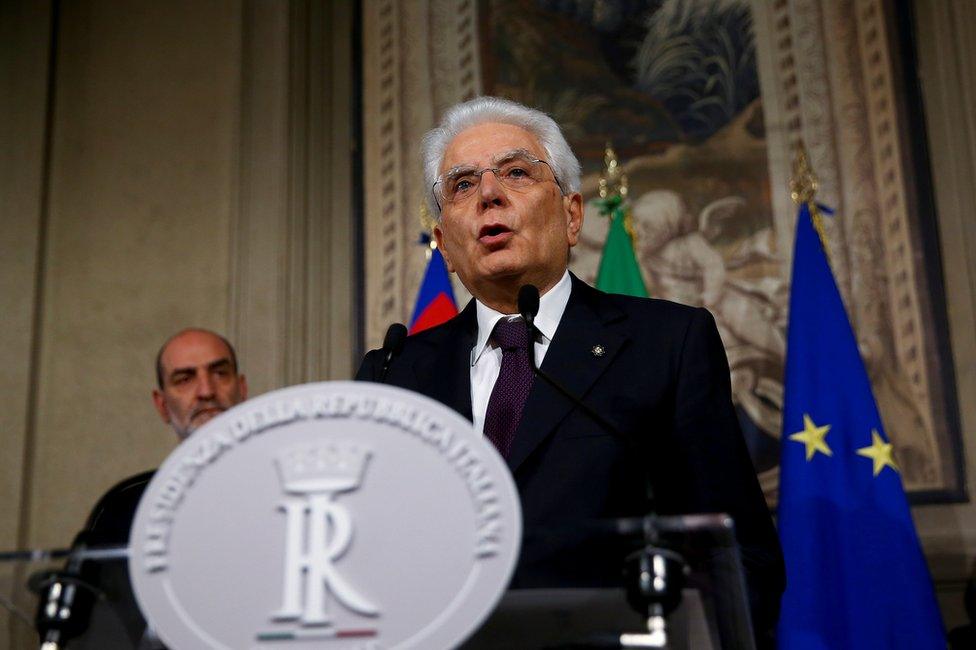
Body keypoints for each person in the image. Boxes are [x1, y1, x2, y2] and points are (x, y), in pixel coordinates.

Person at [357, 96, 785, 643]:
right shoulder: (394, 373)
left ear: (572, 215)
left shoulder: (666, 344)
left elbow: (740, 554)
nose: (489, 194)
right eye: (463, 185)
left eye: (516, 172)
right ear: (442, 243)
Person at [57, 329, 247, 647]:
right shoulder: (123, 510)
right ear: (161, 405)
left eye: (219, 373)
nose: (206, 391)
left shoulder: (292, 489)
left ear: (242, 388)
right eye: (184, 378)